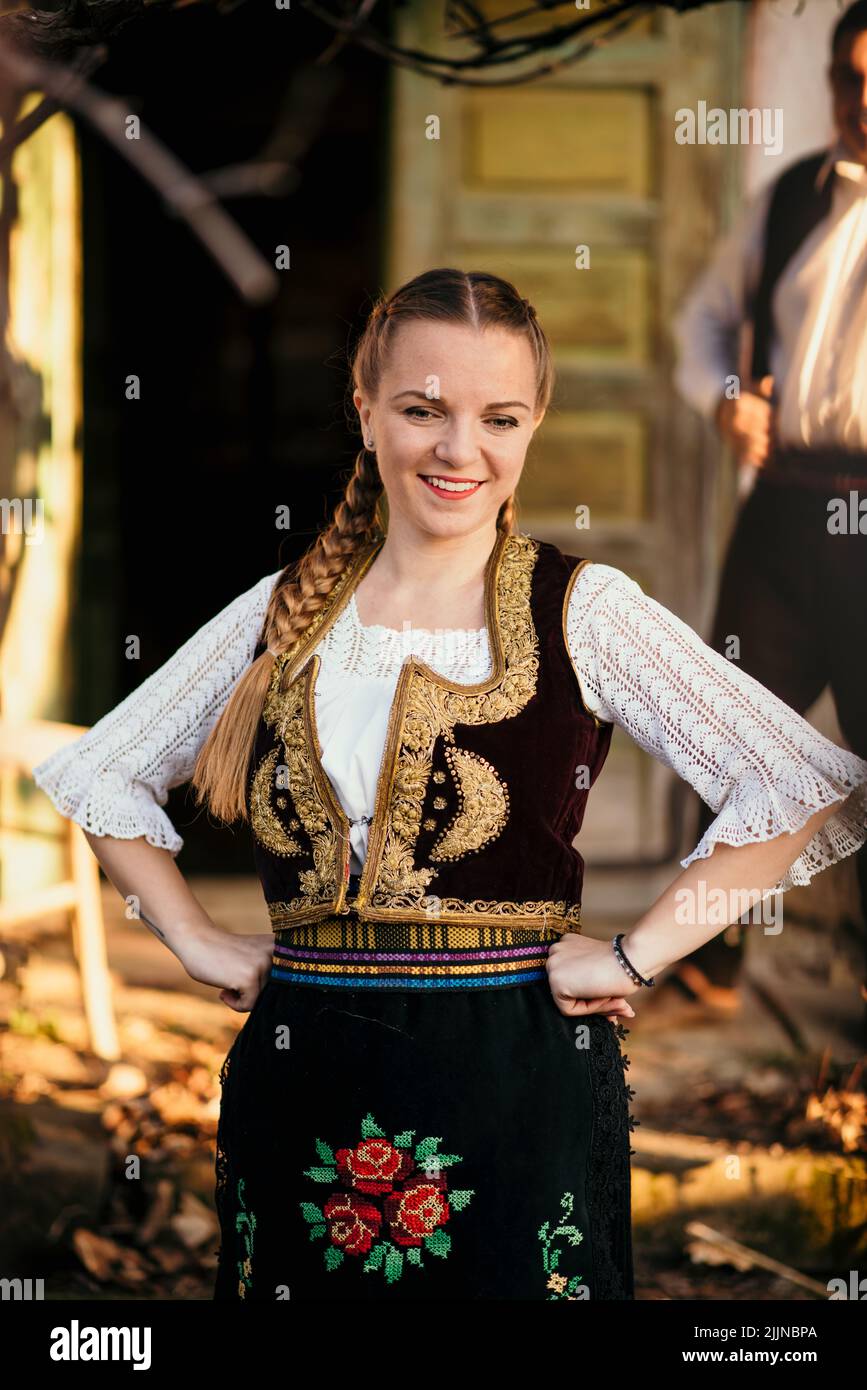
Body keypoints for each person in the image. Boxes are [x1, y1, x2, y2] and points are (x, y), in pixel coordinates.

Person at [34, 268, 867, 1301]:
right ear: (365, 408)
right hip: (304, 1071)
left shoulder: (584, 609)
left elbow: (793, 777)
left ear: (535, 422)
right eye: (424, 409)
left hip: (516, 1072)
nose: (458, 449)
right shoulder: (283, 607)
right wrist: (196, 938)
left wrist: (634, 954)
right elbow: (98, 770)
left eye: (498, 417)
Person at [672, 0, 867, 1012]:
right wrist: (726, 398)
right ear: (833, 79)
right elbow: (702, 322)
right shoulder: (790, 195)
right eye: (853, 80)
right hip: (786, 514)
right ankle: (704, 963)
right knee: (730, 731)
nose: (865, 106)